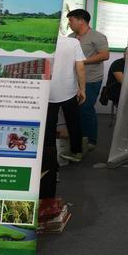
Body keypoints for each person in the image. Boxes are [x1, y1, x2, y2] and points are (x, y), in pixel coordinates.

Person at [67, 9, 109, 149]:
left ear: (81, 21)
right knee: (75, 110)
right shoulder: (70, 37)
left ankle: (91, 140)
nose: (69, 23)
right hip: (73, 79)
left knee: (86, 108)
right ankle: (79, 138)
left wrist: (82, 61)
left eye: (71, 20)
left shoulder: (97, 36)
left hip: (91, 79)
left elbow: (104, 55)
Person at [49, 36, 87, 164]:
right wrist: (82, 89)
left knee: (49, 125)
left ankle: (49, 156)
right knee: (74, 122)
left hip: (48, 91)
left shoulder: (43, 40)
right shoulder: (73, 42)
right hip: (69, 90)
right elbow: (80, 67)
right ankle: (76, 152)